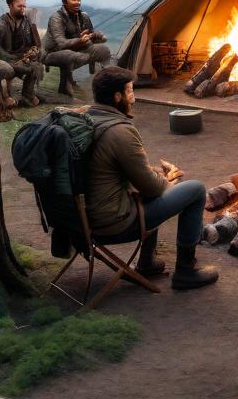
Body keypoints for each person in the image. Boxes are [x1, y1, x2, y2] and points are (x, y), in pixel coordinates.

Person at [85, 66, 218, 290]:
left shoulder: (87, 119)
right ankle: (186, 270)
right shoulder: (119, 132)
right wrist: (169, 180)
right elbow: (153, 189)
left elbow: (121, 173)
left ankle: (147, 263)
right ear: (117, 97)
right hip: (111, 223)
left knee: (149, 188)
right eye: (129, 91)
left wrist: (156, 176)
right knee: (195, 190)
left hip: (78, 221)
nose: (133, 98)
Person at [42, 0, 112, 96]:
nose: (77, 3)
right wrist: (79, 40)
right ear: (65, 1)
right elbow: (60, 43)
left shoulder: (83, 16)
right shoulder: (56, 18)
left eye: (78, 0)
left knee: (104, 50)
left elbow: (89, 33)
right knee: (69, 55)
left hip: (76, 48)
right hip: (52, 52)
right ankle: (65, 87)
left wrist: (95, 35)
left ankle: (107, 81)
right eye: (73, 0)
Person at [0, 0, 44, 108]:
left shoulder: (27, 22)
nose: (23, 9)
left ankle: (28, 94)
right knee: (7, 70)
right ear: (10, 6)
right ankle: (5, 96)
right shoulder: (1, 22)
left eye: (24, 6)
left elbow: (35, 43)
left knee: (37, 66)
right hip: (5, 58)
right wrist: (10, 57)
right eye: (19, 6)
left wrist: (33, 52)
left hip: (21, 57)